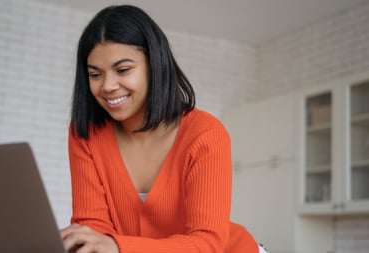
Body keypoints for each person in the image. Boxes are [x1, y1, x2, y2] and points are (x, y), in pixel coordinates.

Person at [60, 4, 267, 253]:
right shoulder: (85, 133)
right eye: (95, 74)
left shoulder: (206, 133)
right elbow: (93, 229)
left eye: (123, 70)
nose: (108, 86)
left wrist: (116, 247)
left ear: (154, 65)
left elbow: (207, 243)